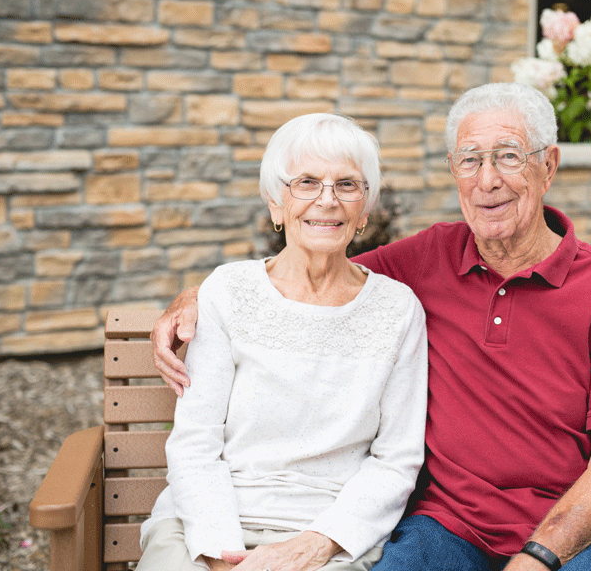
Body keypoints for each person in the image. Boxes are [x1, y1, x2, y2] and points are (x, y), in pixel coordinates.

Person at [152, 83, 591, 571]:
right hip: (453, 528)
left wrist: (536, 559)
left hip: (584, 541)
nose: (487, 180)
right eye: (470, 159)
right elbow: (314, 269)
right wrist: (196, 298)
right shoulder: (428, 260)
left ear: (549, 166)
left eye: (508, 156)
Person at [137, 113, 428, 571]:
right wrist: (220, 555)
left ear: (365, 209)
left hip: (329, 537)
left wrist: (317, 545)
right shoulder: (228, 292)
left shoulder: (398, 310)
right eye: (307, 182)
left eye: (347, 185)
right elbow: (195, 444)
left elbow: (396, 460)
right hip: (205, 523)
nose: (327, 200)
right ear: (275, 203)